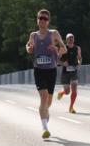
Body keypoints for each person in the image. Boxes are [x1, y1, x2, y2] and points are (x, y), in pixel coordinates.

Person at [25, 9, 67, 138]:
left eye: (45, 19)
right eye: (40, 18)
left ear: (48, 21)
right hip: (39, 70)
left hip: (51, 70)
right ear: (37, 20)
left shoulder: (54, 34)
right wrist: (30, 48)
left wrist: (56, 49)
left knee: (48, 101)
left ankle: (46, 113)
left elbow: (64, 49)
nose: (42, 20)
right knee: (43, 97)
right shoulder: (33, 35)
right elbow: (28, 48)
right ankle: (45, 128)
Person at [56, 33, 82, 112]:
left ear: (74, 39)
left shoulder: (77, 48)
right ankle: (62, 93)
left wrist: (79, 64)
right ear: (66, 40)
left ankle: (71, 107)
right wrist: (63, 63)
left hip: (74, 71)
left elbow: (80, 58)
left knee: (74, 90)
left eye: (72, 38)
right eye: (69, 38)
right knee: (67, 92)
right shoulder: (63, 48)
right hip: (65, 72)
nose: (71, 39)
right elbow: (57, 59)